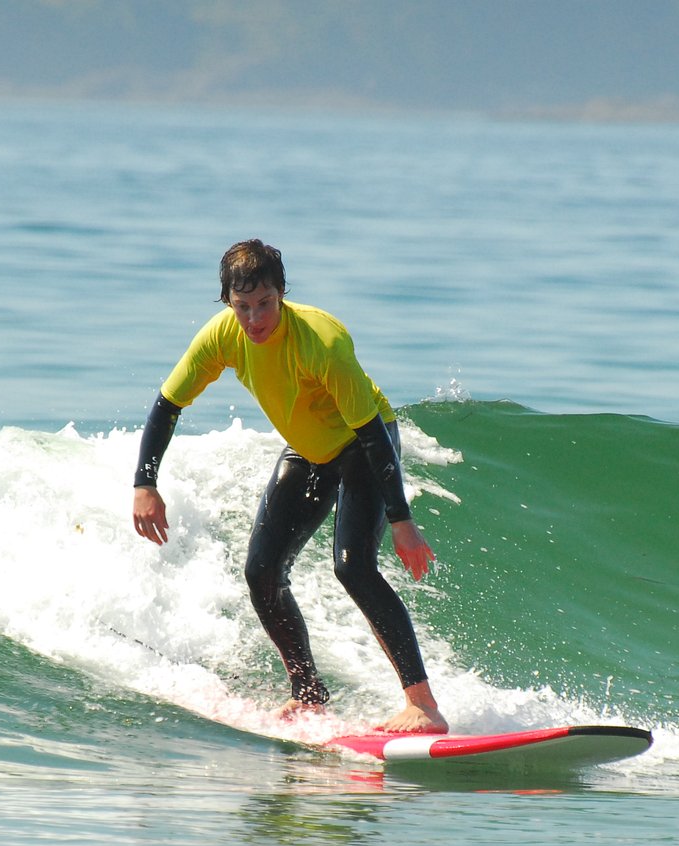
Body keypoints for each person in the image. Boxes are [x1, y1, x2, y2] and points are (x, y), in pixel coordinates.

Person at [132, 239, 448, 734]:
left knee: (354, 568)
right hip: (309, 450)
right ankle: (308, 694)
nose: (255, 319)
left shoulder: (322, 341)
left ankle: (423, 707)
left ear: (282, 294)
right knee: (261, 571)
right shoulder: (222, 337)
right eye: (242, 308)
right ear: (227, 303)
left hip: (362, 444)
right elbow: (168, 404)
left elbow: (370, 435)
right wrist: (144, 483)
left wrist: (401, 522)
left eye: (265, 305)